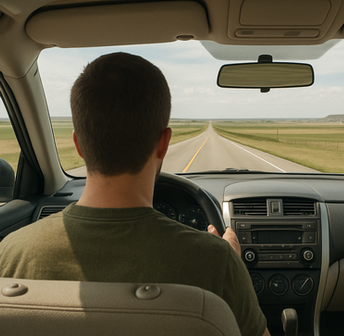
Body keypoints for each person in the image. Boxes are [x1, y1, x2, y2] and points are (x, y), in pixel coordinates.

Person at [0, 52, 269, 336]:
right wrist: (233, 267)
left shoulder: (12, 254)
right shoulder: (217, 262)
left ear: (79, 144)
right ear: (163, 143)